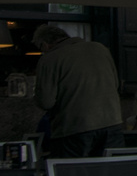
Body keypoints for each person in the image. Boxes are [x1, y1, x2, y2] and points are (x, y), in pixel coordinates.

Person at [33, 24, 124, 158]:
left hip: (74, 127)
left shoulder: (49, 59)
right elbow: (115, 84)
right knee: (109, 173)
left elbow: (46, 101)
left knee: (72, 174)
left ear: (45, 45)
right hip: (111, 122)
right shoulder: (100, 49)